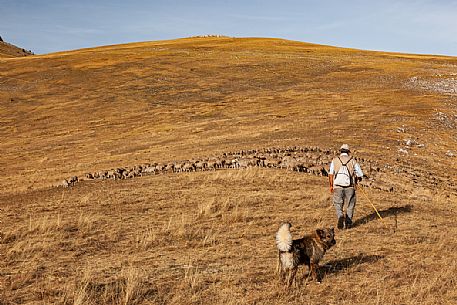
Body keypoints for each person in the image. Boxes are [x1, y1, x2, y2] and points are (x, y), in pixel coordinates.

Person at [328, 144, 363, 229]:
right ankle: (348, 222)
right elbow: (360, 174)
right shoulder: (352, 161)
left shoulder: (335, 160)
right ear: (348, 152)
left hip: (338, 186)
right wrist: (357, 180)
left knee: (338, 203)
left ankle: (340, 216)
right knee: (350, 204)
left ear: (340, 151)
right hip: (350, 186)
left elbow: (331, 174)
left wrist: (331, 186)